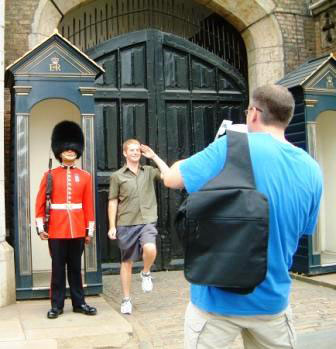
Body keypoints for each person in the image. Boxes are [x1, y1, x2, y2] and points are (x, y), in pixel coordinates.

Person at [163, 84, 323, 348]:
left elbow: (172, 179)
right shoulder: (312, 169)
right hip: (272, 303)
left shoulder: (229, 147)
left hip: (215, 303)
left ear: (254, 113)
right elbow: (304, 229)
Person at [35, 120, 97, 319]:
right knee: (57, 269)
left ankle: (79, 303)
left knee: (76, 269)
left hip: (78, 228)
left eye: (73, 148)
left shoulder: (85, 176)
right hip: (56, 228)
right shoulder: (50, 175)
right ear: (59, 150)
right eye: (66, 147)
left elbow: (88, 204)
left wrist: (89, 230)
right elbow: (40, 203)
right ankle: (57, 305)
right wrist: (40, 227)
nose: (70, 151)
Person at [108, 139, 169, 314]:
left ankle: (146, 272)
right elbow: (112, 202)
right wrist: (112, 226)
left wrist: (154, 156)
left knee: (150, 248)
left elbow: (168, 175)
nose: (135, 152)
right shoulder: (117, 176)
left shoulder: (149, 171)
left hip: (147, 220)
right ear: (125, 153)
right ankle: (126, 300)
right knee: (126, 262)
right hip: (126, 222)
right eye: (131, 150)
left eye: (137, 150)